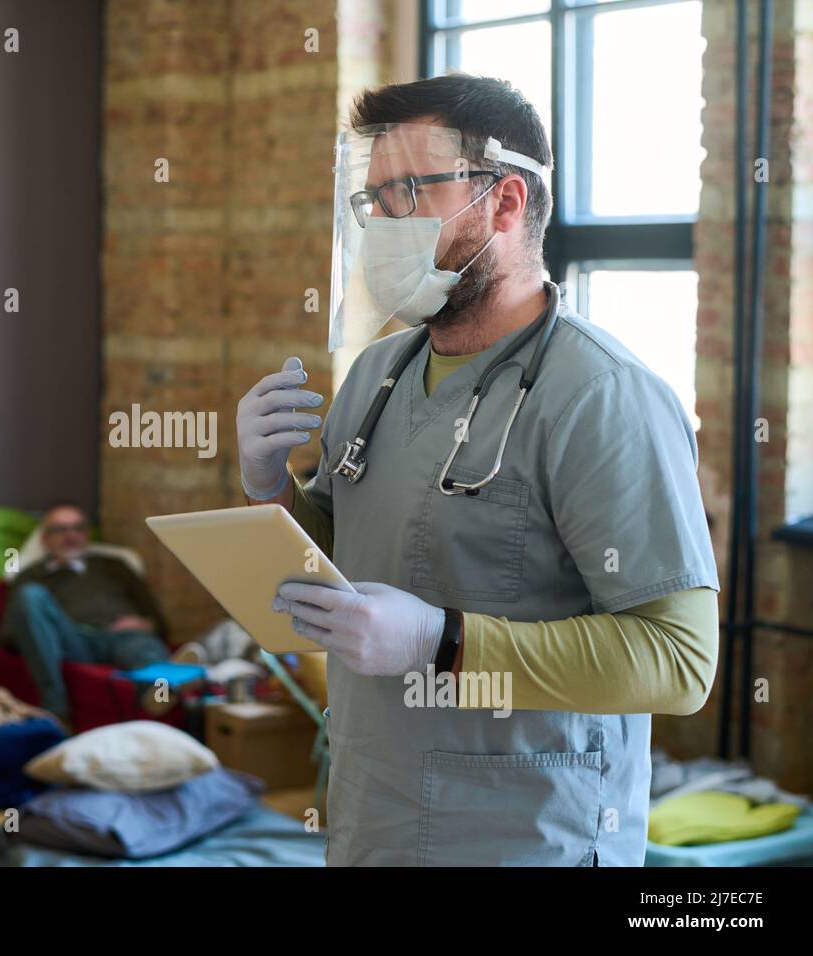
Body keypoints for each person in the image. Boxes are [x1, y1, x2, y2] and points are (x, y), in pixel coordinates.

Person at [237, 74, 719, 866]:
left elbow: (680, 662)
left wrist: (443, 643)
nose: (385, 224)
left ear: (505, 202)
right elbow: (333, 562)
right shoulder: (377, 374)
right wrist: (267, 488)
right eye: (374, 201)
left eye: (410, 193)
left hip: (525, 837)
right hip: (373, 820)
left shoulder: (601, 396)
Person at [0, 504, 172, 725]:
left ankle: (161, 694)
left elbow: (158, 620)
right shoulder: (30, 577)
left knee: (144, 651)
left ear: (86, 535)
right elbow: (8, 635)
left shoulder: (115, 566)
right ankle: (57, 710)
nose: (70, 536)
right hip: (73, 640)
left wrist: (147, 625)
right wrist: (44, 630)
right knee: (30, 595)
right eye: (60, 530)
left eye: (77, 528)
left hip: (123, 636)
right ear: (44, 539)